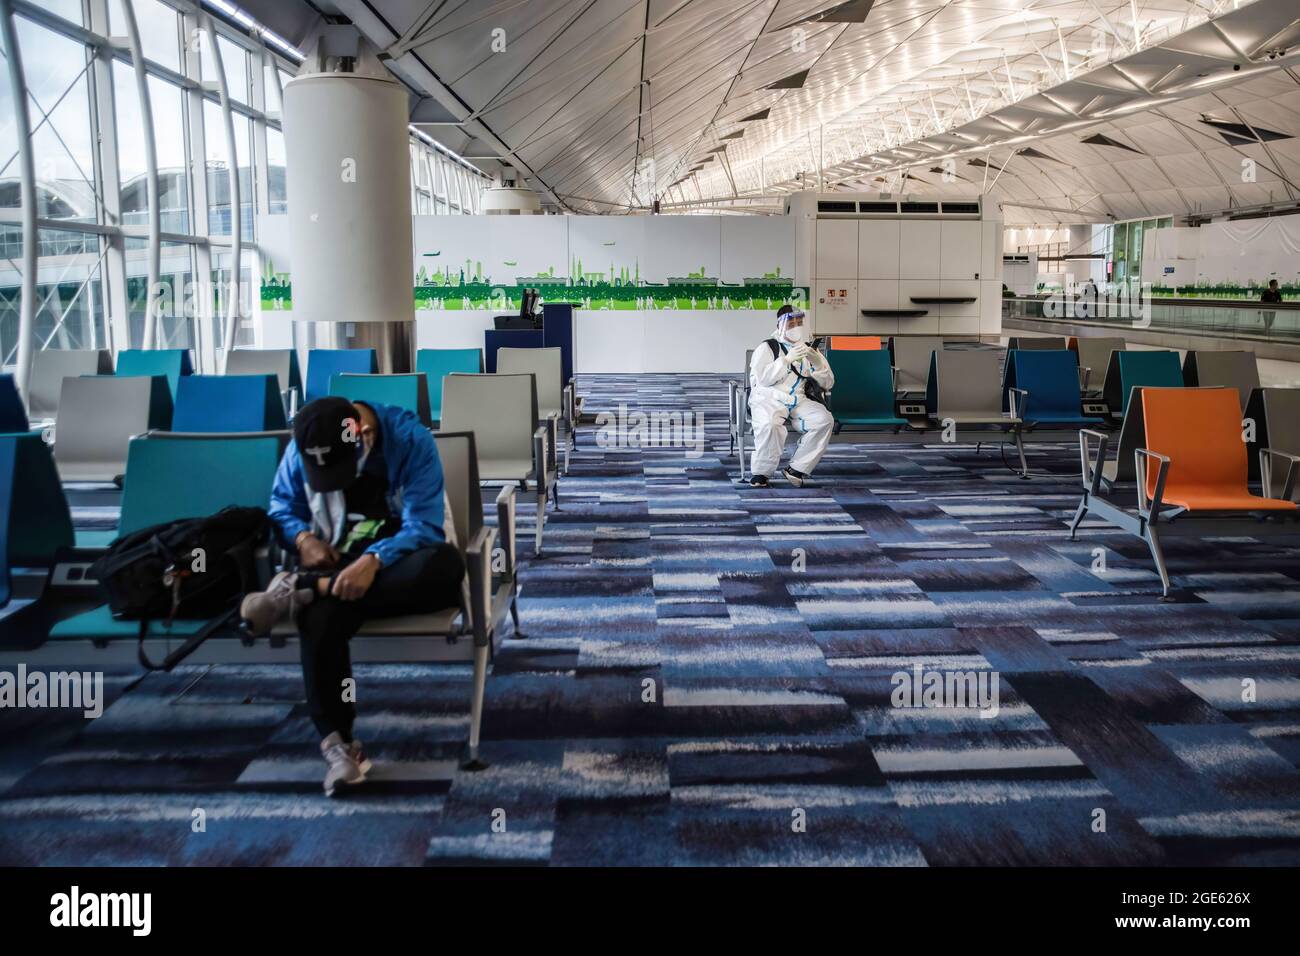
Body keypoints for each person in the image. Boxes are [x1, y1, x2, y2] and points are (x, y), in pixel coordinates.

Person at [240, 396, 465, 796]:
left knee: (446, 566)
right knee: (320, 617)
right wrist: (302, 537)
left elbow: (426, 526)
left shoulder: (411, 441)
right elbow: (280, 507)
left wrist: (375, 559)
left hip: (402, 564)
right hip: (336, 564)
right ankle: (341, 747)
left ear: (362, 435)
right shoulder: (308, 441)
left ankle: (304, 590)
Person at [747, 305, 835, 487]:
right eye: (791, 323)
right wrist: (786, 360)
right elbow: (762, 379)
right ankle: (761, 473)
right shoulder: (768, 347)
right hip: (769, 397)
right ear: (780, 325)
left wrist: (818, 365)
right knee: (770, 425)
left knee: (824, 420)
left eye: (799, 322)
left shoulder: (810, 349)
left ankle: (797, 468)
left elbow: (828, 384)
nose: (795, 327)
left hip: (798, 398)